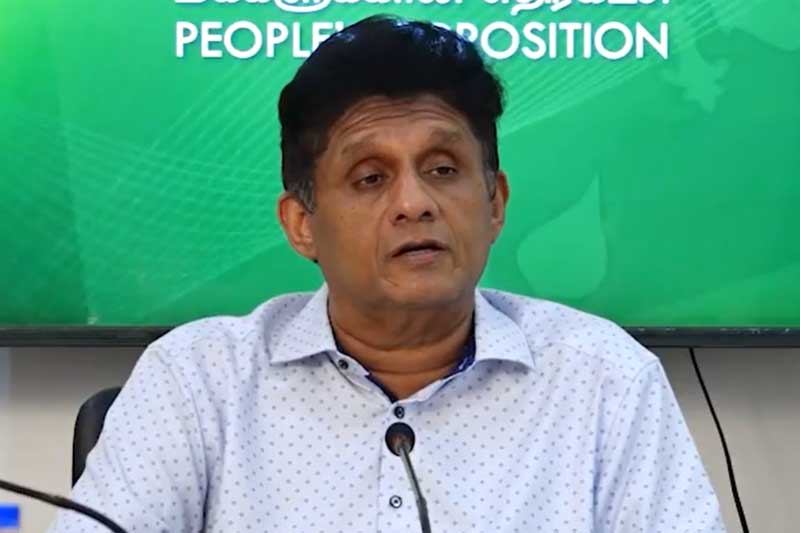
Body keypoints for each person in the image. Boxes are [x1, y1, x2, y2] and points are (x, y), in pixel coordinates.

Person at [50, 15, 727, 533]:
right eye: (370, 177)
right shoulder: (199, 380)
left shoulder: (605, 381)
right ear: (302, 223)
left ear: (494, 202)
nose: (414, 203)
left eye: (443, 169)